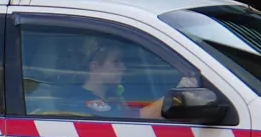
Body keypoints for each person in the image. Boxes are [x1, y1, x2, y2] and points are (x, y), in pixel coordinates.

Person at [60, 36, 195, 119]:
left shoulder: (111, 96)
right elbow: (138, 119)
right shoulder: (80, 99)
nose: (123, 68)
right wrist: (181, 91)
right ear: (95, 66)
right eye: (116, 62)